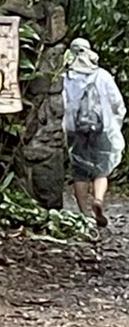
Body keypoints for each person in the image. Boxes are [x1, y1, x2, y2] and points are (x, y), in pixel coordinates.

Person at [63, 37, 126, 227]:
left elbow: (63, 103)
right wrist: (115, 122)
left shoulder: (66, 76)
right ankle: (98, 200)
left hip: (76, 129)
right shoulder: (103, 75)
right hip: (102, 128)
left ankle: (83, 214)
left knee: (79, 171)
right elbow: (117, 103)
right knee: (102, 169)